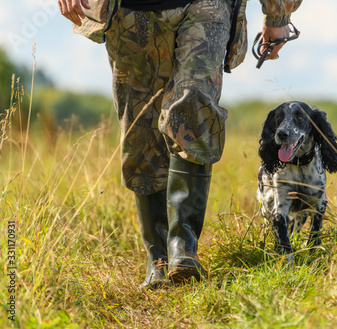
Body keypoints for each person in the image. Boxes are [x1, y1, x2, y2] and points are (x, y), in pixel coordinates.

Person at [58, 0, 302, 289]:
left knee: (193, 103)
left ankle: (183, 249)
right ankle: (158, 259)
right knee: (141, 129)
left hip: (208, 6)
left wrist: (279, 13)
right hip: (130, 10)